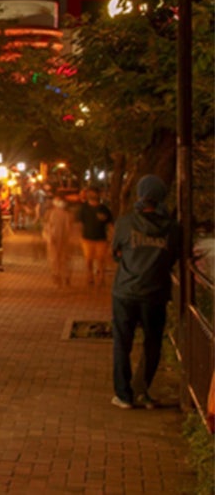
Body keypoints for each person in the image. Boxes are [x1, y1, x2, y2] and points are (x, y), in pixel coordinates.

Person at [110, 175, 180, 410]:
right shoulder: (172, 228)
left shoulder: (126, 222)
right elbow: (174, 256)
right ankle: (142, 391)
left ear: (140, 195)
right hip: (155, 292)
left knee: (122, 342)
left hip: (125, 291)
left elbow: (116, 252)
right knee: (152, 343)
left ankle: (123, 394)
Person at [77, 187, 114, 287]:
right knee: (88, 259)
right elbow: (80, 223)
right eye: (90, 194)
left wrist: (114, 236)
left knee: (101, 259)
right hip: (87, 238)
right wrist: (79, 236)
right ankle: (90, 276)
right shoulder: (84, 208)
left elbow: (110, 224)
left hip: (101, 239)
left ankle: (101, 277)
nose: (92, 196)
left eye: (94, 194)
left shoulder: (104, 209)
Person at [41, 194, 73, 287]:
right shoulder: (51, 213)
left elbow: (68, 228)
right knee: (56, 259)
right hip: (54, 239)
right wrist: (48, 236)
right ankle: (58, 276)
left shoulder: (66, 214)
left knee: (61, 259)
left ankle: (63, 276)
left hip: (61, 240)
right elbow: (46, 226)